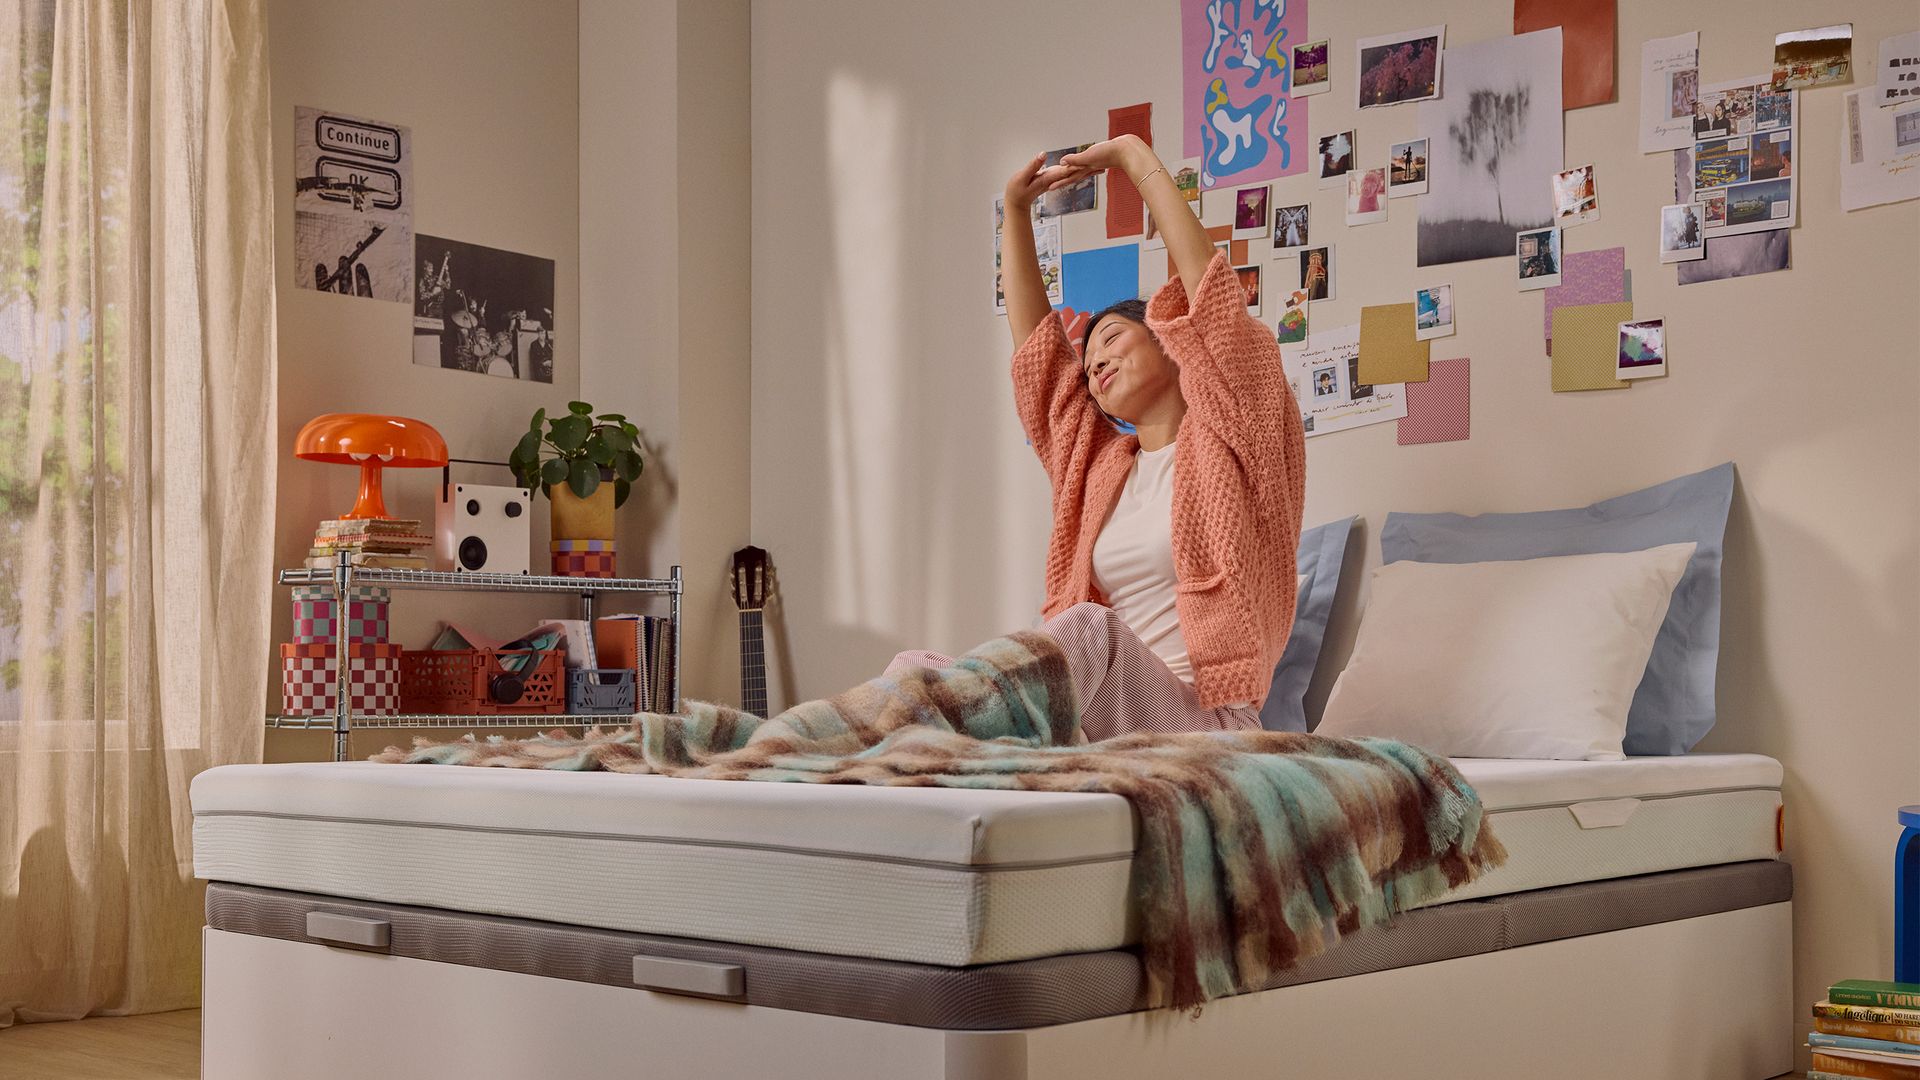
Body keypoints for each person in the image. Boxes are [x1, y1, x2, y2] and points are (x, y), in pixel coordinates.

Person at [887, 133, 1305, 742]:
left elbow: (1219, 312)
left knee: (1088, 630)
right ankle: (849, 755)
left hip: (1209, 726)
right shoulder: (1101, 470)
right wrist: (1015, 212)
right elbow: (1040, 364)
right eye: (1088, 363)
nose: (1094, 364)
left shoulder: (1240, 438)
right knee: (912, 674)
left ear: (1170, 336)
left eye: (1111, 339)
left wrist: (1134, 160)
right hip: (1104, 728)